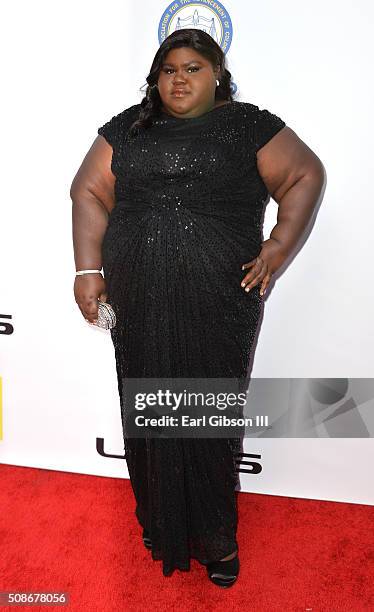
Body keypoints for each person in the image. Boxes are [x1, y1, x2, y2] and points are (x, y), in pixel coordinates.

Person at [70, 28, 325, 587]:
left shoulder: (249, 124)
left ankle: (215, 537)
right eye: (168, 70)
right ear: (155, 78)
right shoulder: (128, 127)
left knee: (207, 409)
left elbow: (306, 174)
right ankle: (161, 522)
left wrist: (278, 247)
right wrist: (89, 270)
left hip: (219, 295)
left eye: (191, 69)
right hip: (138, 292)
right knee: (150, 400)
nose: (178, 79)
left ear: (217, 75)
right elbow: (88, 190)